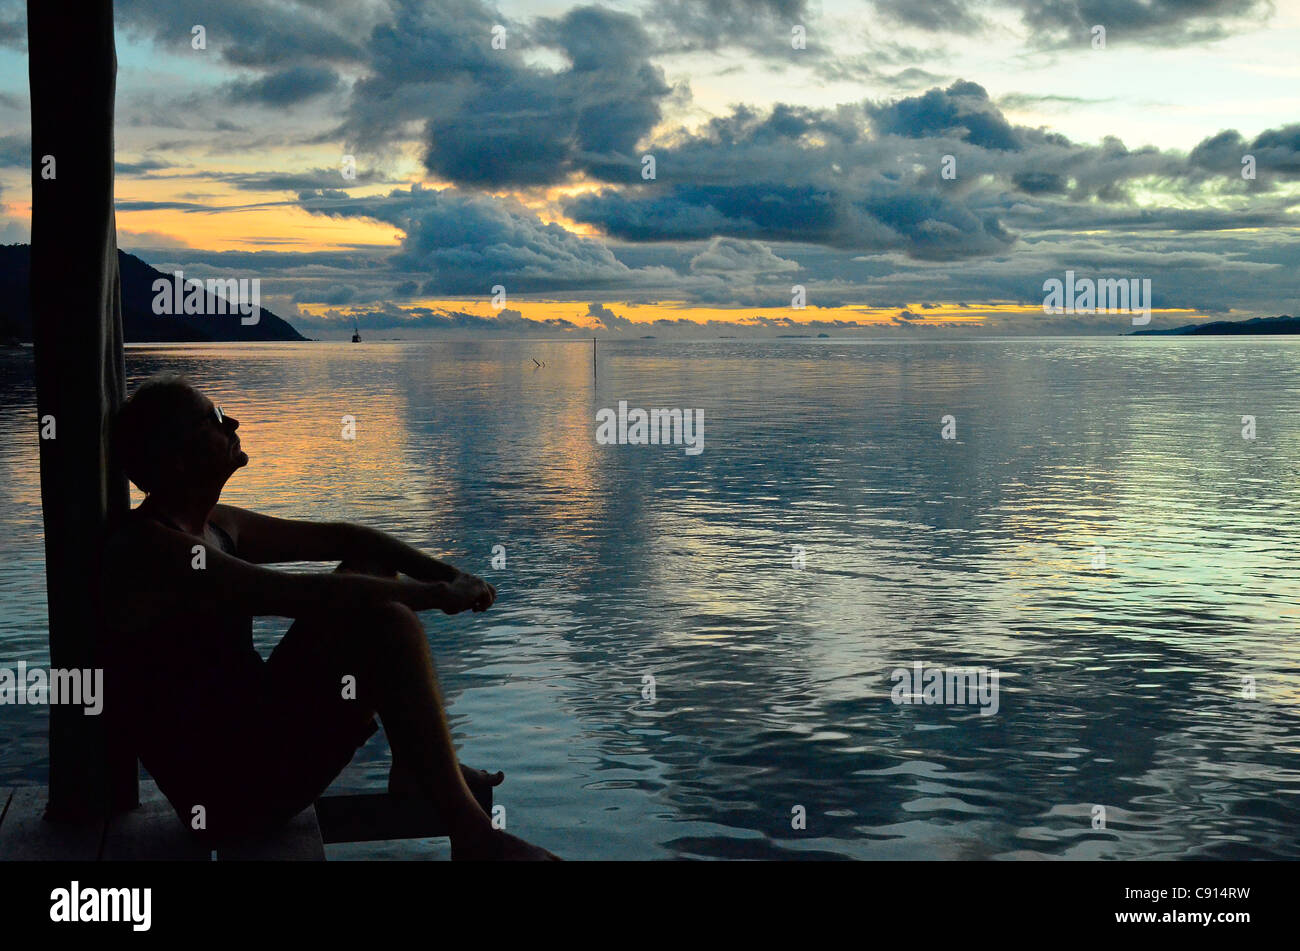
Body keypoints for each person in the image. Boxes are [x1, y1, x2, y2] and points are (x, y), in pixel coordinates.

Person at [102, 373, 559, 860]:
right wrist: (433, 595)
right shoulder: (152, 547)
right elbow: (300, 593)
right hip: (228, 795)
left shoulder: (215, 524)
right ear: (178, 458)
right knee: (390, 622)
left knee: (373, 572)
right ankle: (475, 838)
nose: (232, 421)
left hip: (254, 736)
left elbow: (348, 540)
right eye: (214, 418)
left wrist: (448, 573)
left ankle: (413, 764)